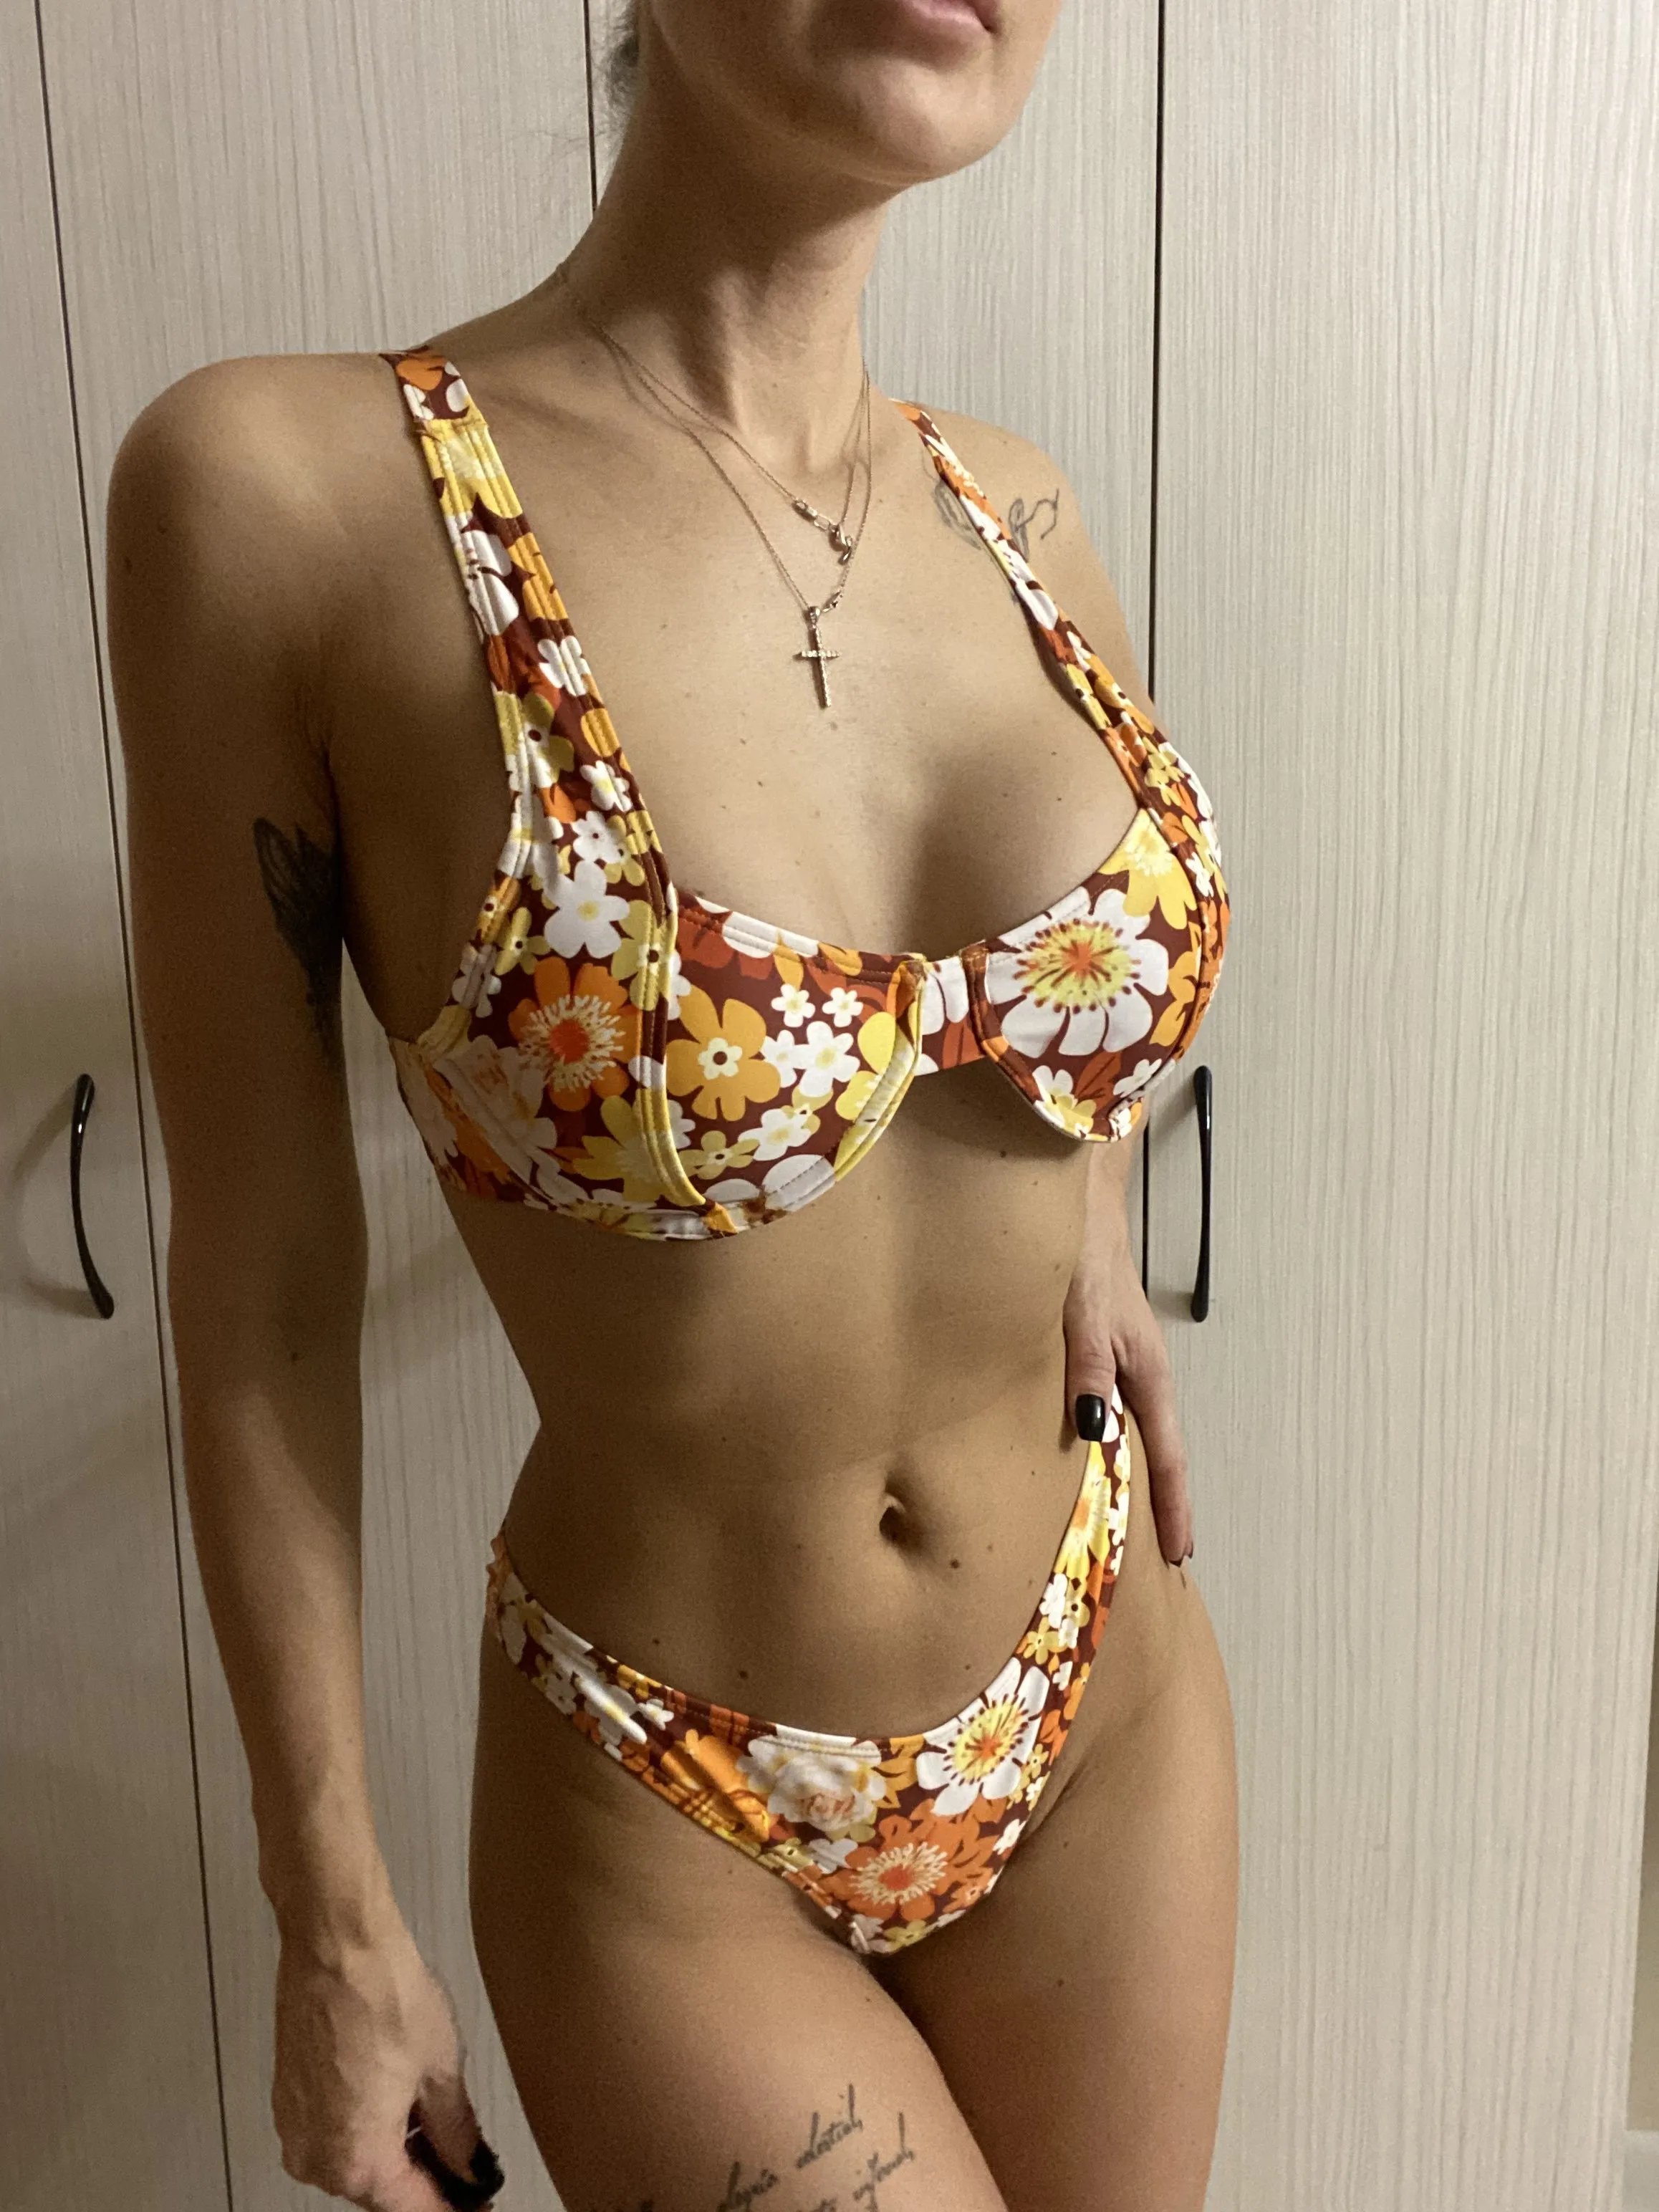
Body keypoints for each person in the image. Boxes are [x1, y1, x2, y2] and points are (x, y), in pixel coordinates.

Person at [107, 2, 1238, 2206]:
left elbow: (1059, 988)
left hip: (1106, 1699)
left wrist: (1093, 1223)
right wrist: (331, 1916)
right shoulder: (288, 495)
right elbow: (262, 1271)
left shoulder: (1017, 509)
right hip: (672, 1807)